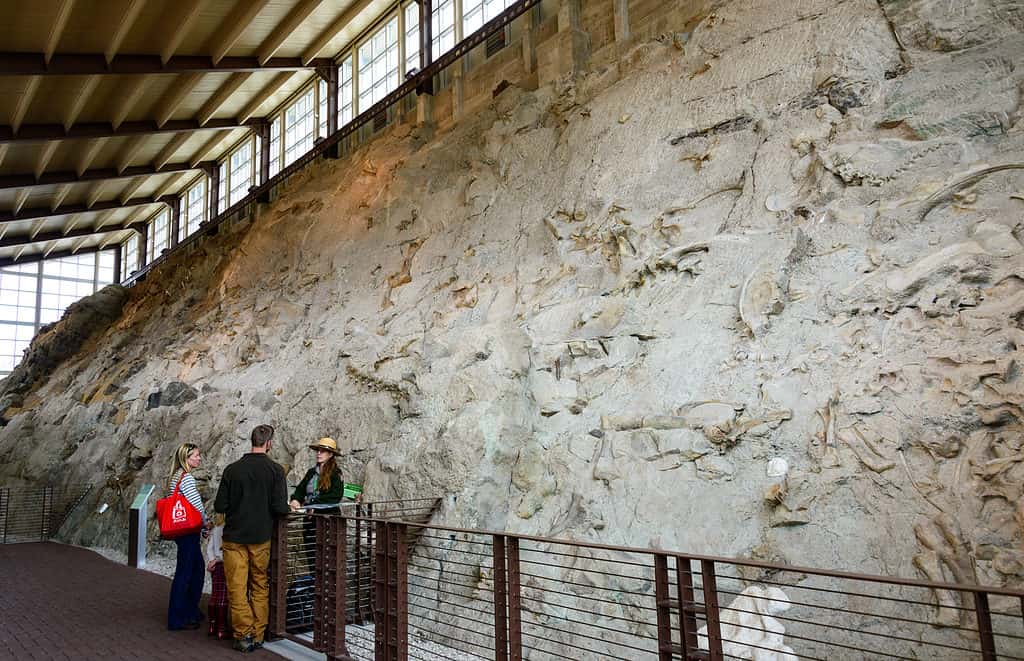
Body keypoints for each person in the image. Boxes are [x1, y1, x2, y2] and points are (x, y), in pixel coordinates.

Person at [214, 424, 290, 653]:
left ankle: (243, 634)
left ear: (252, 441)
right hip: (261, 538)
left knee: (237, 587)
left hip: (234, 537)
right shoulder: (276, 470)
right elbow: (279, 508)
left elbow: (220, 505)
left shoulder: (232, 470)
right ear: (269, 443)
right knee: (259, 585)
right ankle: (258, 633)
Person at [166, 442, 209, 631]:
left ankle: (190, 610)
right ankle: (177, 617)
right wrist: (206, 523)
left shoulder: (175, 477)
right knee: (187, 573)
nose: (199, 458)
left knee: (194, 569)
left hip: (180, 530)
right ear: (186, 458)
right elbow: (196, 505)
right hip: (189, 531)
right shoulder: (187, 479)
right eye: (196, 456)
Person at [289, 437, 345, 514]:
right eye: (318, 450)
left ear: (330, 454)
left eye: (323, 451)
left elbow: (335, 495)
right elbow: (300, 489)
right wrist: (296, 500)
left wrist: (313, 503)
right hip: (310, 516)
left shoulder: (336, 473)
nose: (319, 453)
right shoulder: (311, 472)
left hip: (328, 517)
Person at [206, 514, 229, 639]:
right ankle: (222, 628)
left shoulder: (216, 529)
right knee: (223, 597)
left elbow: (209, 548)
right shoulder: (229, 528)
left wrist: (211, 560)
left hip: (215, 565)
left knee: (214, 595)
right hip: (225, 564)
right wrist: (219, 559)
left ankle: (212, 625)